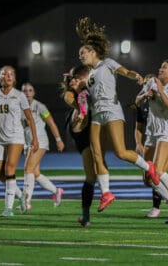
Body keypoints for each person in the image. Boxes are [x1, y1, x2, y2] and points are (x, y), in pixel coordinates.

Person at [75, 16, 159, 213]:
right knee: (97, 155)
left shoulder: (107, 63)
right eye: (79, 53)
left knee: (120, 152)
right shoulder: (90, 74)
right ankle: (106, 193)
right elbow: (88, 94)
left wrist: (134, 75)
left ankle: (149, 168)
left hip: (112, 111)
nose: (81, 56)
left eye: (83, 52)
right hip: (97, 115)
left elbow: (125, 71)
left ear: (93, 52)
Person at [0, 65, 39, 217]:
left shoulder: (19, 95)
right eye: (5, 74)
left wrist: (35, 139)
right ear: (1, 78)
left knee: (9, 169)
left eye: (11, 74)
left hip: (15, 137)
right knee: (0, 174)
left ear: (14, 78)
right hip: (0, 138)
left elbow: (30, 119)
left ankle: (8, 209)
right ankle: (21, 197)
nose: (8, 76)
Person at [136, 58, 168, 225]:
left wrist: (160, 91)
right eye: (161, 66)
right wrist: (145, 95)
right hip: (151, 132)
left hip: (167, 131)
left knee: (157, 172)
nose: (161, 69)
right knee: (147, 179)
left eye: (164, 68)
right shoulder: (151, 81)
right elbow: (136, 102)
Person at [62, 65, 98, 227]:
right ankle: (87, 211)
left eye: (76, 78)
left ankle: (85, 215)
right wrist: (81, 110)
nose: (73, 81)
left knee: (91, 177)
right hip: (81, 130)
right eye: (72, 79)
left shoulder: (88, 89)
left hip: (85, 133)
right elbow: (72, 98)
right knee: (93, 175)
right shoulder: (74, 93)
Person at [21, 82, 65, 210]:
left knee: (28, 169)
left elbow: (51, 123)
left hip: (40, 141)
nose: (27, 93)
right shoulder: (19, 107)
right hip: (27, 143)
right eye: (24, 91)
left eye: (30, 90)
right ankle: (57, 191)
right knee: (35, 173)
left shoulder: (40, 106)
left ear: (33, 93)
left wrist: (58, 140)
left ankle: (26, 201)